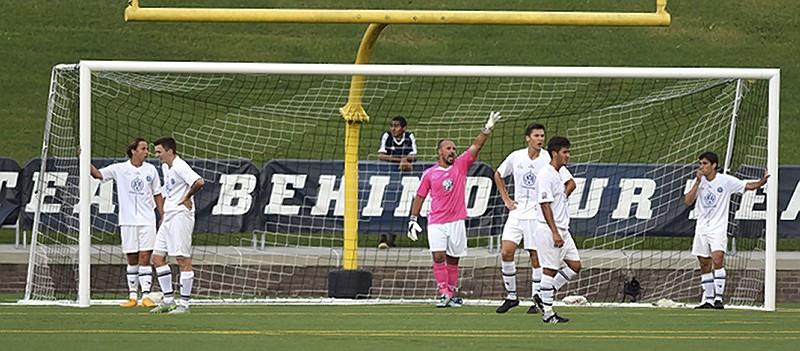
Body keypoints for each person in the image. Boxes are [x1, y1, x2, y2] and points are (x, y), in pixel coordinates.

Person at [407, 111, 502, 308]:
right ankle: (444, 293)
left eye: (454, 149)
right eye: (448, 148)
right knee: (438, 256)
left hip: (457, 221)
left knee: (453, 260)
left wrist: (487, 128)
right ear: (439, 152)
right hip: (436, 222)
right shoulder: (429, 174)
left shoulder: (461, 165)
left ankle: (449, 294)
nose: (452, 151)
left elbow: (476, 146)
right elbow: (420, 196)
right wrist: (413, 219)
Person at [494, 124, 575, 314]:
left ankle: (535, 299)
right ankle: (512, 296)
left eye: (542, 136)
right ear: (527, 138)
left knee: (535, 256)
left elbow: (570, 182)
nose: (540, 139)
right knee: (506, 252)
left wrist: (560, 200)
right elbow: (498, 174)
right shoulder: (516, 157)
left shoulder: (549, 159)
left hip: (536, 215)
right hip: (517, 211)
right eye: (536, 135)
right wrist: (506, 199)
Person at [684, 151, 768, 309]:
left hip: (718, 228)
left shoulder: (725, 181)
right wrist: (697, 182)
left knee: (717, 260)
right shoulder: (698, 181)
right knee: (704, 264)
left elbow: (747, 186)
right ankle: (707, 300)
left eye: (705, 164)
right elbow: (688, 201)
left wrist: (762, 182)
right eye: (700, 164)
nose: (701, 167)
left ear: (713, 165)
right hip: (701, 228)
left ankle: (718, 299)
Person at [88, 138, 164, 308]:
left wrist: (162, 214)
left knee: (145, 257)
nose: (147, 152)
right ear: (133, 151)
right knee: (132, 258)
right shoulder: (119, 169)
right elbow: (97, 174)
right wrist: (84, 159)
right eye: (143, 149)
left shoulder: (151, 170)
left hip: (147, 220)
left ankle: (146, 295)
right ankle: (132, 296)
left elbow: (157, 194)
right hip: (127, 220)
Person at [148, 137, 205, 314]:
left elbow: (199, 181)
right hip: (169, 216)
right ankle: (168, 300)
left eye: (159, 152)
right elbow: (171, 188)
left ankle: (185, 304)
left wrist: (187, 198)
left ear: (170, 151)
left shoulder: (180, 166)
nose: (156, 155)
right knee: (157, 258)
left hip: (181, 216)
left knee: (182, 259)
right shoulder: (166, 166)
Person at [533, 136, 580, 323]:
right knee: (549, 271)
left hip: (563, 229)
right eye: (565, 152)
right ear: (554, 153)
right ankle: (548, 314)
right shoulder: (546, 174)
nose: (568, 155)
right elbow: (544, 204)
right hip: (549, 229)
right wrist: (554, 231)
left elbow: (570, 185)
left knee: (575, 266)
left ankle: (546, 294)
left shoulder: (560, 172)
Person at [378, 116, 418, 249]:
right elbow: (381, 155)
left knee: (398, 204)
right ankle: (382, 237)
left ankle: (392, 239)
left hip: (403, 177)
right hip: (386, 175)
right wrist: (401, 161)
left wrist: (405, 159)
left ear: (404, 128)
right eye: (392, 126)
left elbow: (414, 155)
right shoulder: (387, 136)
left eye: (396, 126)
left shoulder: (409, 137)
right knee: (384, 203)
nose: (393, 128)